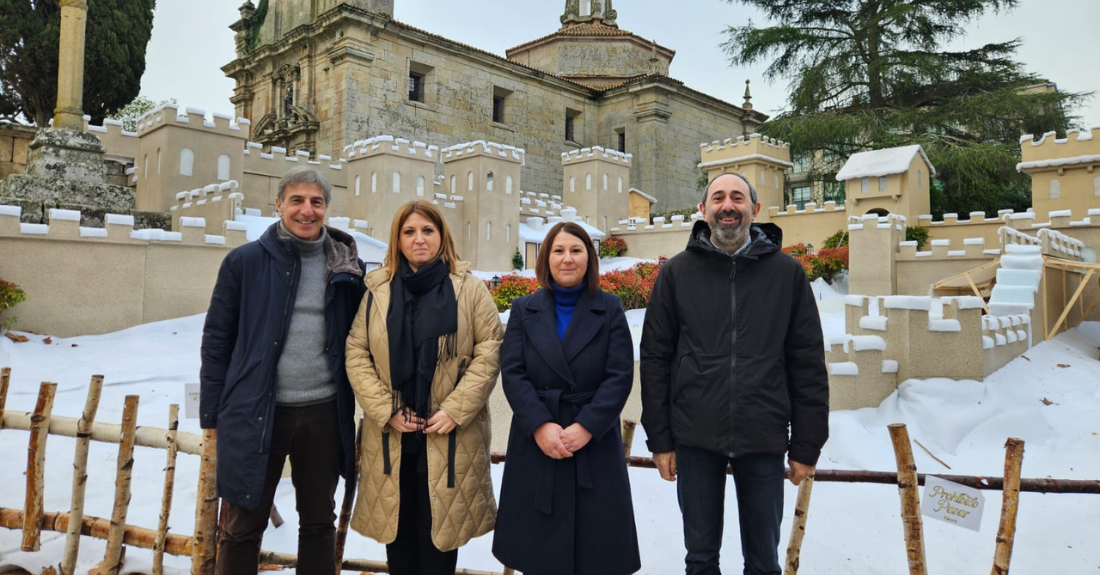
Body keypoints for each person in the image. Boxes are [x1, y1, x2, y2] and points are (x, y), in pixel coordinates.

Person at [640, 172, 830, 575]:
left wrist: (807, 444)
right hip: (694, 436)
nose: (728, 205)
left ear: (754, 210)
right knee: (701, 559)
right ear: (704, 209)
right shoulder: (676, 273)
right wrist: (660, 438)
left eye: (738, 198)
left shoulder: (787, 274)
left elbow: (806, 361)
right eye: (719, 197)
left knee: (763, 562)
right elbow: (656, 357)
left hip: (762, 435)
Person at [199, 166, 366, 575]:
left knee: (317, 522)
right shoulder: (245, 262)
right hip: (257, 410)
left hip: (324, 412)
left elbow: (364, 336)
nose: (307, 211)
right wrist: (212, 415)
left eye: (316, 202)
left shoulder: (347, 268)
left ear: (326, 208)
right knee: (242, 526)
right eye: (297, 200)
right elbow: (217, 340)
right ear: (278, 205)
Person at [345, 200, 502, 575]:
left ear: (441, 236)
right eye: (409, 231)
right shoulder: (377, 291)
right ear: (397, 240)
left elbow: (490, 349)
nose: (419, 239)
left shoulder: (469, 289)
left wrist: (455, 409)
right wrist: (387, 410)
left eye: (427, 231)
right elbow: (356, 353)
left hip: (449, 438)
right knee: (399, 546)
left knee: (439, 546)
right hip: (393, 440)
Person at [493, 222, 641, 575]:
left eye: (576, 250)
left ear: (590, 259)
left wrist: (587, 426)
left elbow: (619, 376)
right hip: (536, 444)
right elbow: (513, 373)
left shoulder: (610, 309)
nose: (567, 259)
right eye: (558, 251)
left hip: (593, 445)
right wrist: (541, 425)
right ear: (546, 259)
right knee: (539, 555)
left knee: (595, 555)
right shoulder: (523, 309)